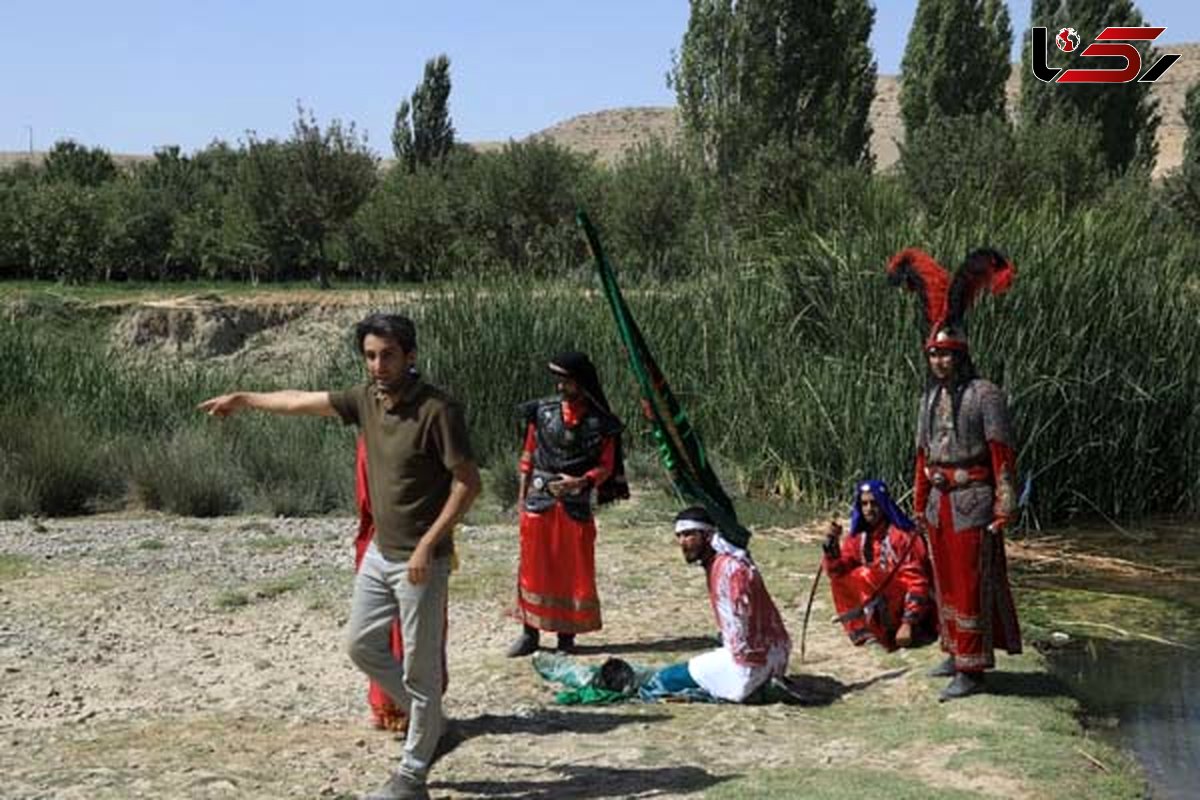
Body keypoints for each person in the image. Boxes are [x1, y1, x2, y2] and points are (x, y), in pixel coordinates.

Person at [199, 313, 480, 800]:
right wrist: (244, 399)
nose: (378, 365)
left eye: (388, 355)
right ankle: (432, 723)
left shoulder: (439, 410)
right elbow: (298, 401)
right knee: (360, 646)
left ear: (409, 356)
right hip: (380, 554)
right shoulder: (365, 400)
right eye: (370, 355)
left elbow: (468, 483)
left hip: (421, 560)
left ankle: (412, 777)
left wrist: (428, 545)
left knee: (419, 670)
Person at [888, 248, 1023, 701]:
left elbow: (1002, 454)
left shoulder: (986, 395)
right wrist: (918, 498)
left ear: (960, 355)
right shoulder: (926, 399)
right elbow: (922, 454)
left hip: (973, 500)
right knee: (944, 578)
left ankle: (973, 667)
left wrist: (1006, 506)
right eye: (933, 355)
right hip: (938, 502)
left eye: (946, 355)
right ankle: (952, 649)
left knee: (969, 582)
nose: (939, 363)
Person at [507, 351, 628, 657]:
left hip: (574, 503)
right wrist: (521, 499)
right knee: (534, 567)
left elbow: (606, 465)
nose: (561, 387)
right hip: (539, 497)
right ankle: (529, 632)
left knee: (572, 570)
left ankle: (565, 638)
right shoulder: (542, 412)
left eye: (567, 381)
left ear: (581, 382)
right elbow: (528, 454)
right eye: (558, 381)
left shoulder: (601, 423)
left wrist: (582, 481)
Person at [353, 437, 450, 735]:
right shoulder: (372, 437)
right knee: (383, 634)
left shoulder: (428, 428)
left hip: (413, 544)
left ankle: (417, 713)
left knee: (414, 632)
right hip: (390, 541)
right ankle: (406, 708)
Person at [659, 506, 791, 703]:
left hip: (749, 664)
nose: (682, 542)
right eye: (679, 536)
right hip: (775, 657)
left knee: (664, 679)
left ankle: (753, 687)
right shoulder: (727, 564)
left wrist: (744, 666)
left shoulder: (729, 570)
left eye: (688, 535)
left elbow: (740, 622)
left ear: (706, 535)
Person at [823, 479, 935, 650]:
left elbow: (918, 582)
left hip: (904, 604)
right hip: (878, 598)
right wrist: (831, 548)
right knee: (841, 579)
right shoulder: (857, 538)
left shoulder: (903, 536)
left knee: (865, 574)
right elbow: (837, 572)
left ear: (883, 504)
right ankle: (865, 633)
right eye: (864, 504)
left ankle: (892, 632)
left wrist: (908, 623)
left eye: (874, 503)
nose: (869, 509)